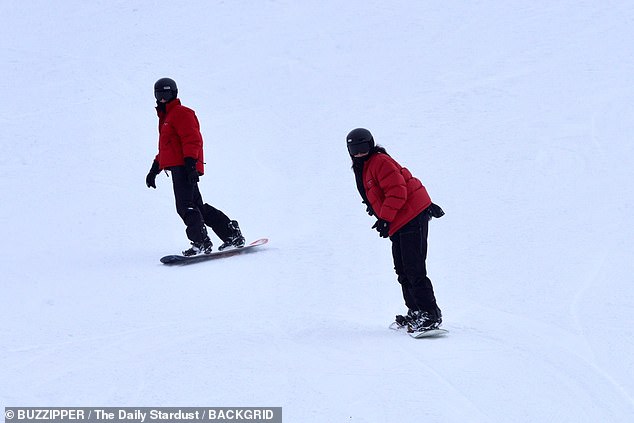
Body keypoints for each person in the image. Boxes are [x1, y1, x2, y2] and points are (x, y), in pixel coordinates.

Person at [347, 128, 445, 332]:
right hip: (400, 220)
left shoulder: (379, 161)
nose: (359, 153)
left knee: (414, 268)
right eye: (354, 150)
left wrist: (384, 217)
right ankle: (416, 311)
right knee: (402, 269)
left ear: (371, 145)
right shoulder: (364, 166)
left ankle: (430, 314)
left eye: (363, 148)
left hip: (411, 216)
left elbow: (397, 190)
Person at [146, 77, 245, 256]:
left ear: (174, 94)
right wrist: (154, 169)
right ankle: (231, 234)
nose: (162, 99)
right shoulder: (166, 118)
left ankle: (201, 242)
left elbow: (192, 139)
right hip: (179, 166)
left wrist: (191, 164)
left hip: (184, 166)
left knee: (185, 207)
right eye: (159, 95)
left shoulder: (182, 113)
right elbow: (167, 149)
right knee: (198, 207)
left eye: (166, 94)